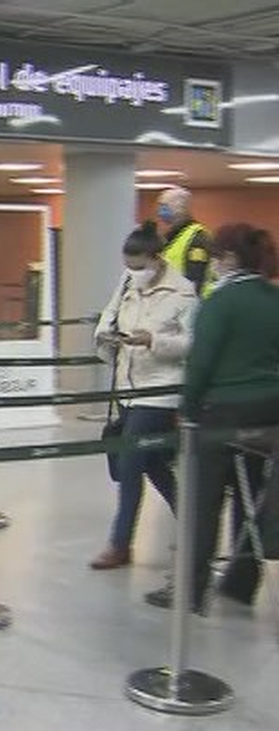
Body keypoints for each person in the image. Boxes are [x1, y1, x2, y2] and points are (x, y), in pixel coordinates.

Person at [147, 224, 279, 613]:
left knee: (201, 503)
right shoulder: (274, 300)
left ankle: (190, 588)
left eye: (218, 256)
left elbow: (201, 363)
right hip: (270, 415)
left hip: (221, 413)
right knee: (250, 495)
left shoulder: (220, 303)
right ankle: (241, 583)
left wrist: (186, 410)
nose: (215, 264)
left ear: (231, 259)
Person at [90, 222, 197, 570]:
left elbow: (194, 344)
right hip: (128, 387)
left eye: (139, 266)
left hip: (160, 392)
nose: (133, 273)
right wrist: (105, 336)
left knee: (132, 462)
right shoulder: (125, 285)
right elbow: (108, 316)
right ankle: (194, 520)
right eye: (129, 266)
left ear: (156, 258)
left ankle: (119, 544)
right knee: (151, 461)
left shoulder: (183, 293)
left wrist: (154, 341)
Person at [156, 186, 213, 297]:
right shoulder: (169, 236)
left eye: (164, 206)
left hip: (190, 302)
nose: (160, 212)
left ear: (181, 208)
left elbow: (196, 277)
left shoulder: (197, 237)